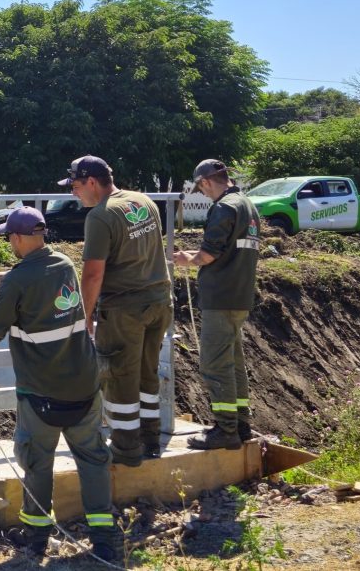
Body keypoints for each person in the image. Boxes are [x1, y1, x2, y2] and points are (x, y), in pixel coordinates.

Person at [0, 207, 121, 561]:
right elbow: (27, 279)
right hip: (84, 386)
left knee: (37, 463)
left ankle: (36, 539)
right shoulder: (63, 264)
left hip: (41, 395)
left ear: (17, 238)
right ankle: (105, 537)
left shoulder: (19, 280)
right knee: (93, 460)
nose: (10, 243)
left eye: (9, 238)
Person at [60, 155, 172, 467]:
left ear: (92, 182)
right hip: (160, 301)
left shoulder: (100, 216)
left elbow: (93, 273)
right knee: (147, 374)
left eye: (76, 186)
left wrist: (84, 317)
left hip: (125, 309)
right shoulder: (143, 201)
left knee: (120, 377)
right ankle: (150, 439)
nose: (73, 192)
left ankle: (125, 449)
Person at [173, 160, 261, 450]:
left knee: (214, 364)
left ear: (206, 182)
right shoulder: (247, 205)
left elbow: (209, 254)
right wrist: (195, 254)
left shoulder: (223, 208)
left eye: (200, 187)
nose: (203, 193)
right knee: (234, 362)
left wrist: (187, 259)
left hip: (220, 298)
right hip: (238, 295)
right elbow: (229, 250)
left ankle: (225, 429)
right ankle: (241, 423)